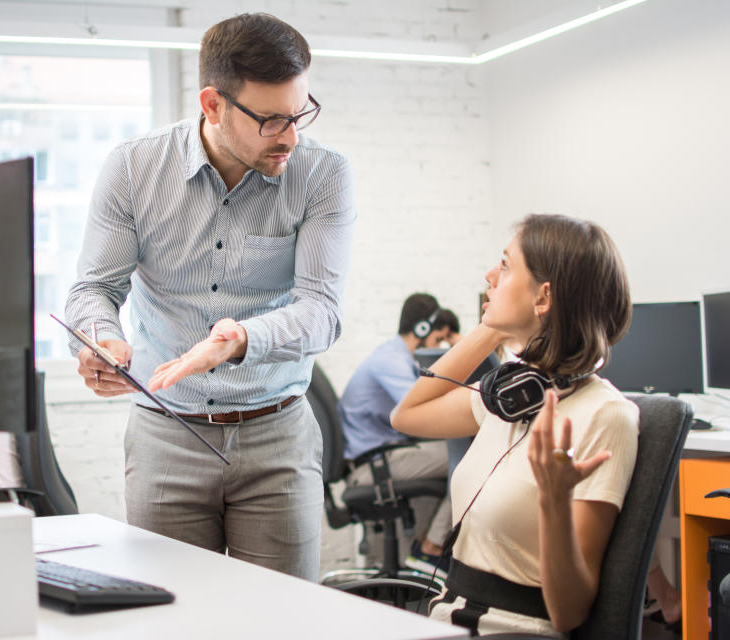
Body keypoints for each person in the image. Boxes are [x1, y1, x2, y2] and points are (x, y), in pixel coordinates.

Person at [64, 13, 355, 582]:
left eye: (299, 114)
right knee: (171, 615)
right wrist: (101, 340)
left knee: (281, 622)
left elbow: (323, 312)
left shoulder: (322, 174)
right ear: (213, 104)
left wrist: (240, 339)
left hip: (278, 436)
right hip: (165, 434)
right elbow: (94, 289)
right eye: (271, 120)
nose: (291, 136)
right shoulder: (133, 169)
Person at [390, 214, 638, 636]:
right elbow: (407, 416)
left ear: (543, 297)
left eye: (505, 266)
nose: (489, 275)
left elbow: (569, 614)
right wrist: (490, 329)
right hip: (447, 621)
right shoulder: (512, 396)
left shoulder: (605, 415)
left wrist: (555, 500)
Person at [337, 293, 461, 577]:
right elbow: (423, 410)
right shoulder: (390, 361)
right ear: (422, 329)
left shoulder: (395, 357)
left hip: (379, 458)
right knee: (467, 455)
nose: (439, 347)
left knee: (457, 451)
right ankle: (430, 547)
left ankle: (430, 545)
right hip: (371, 466)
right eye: (439, 339)